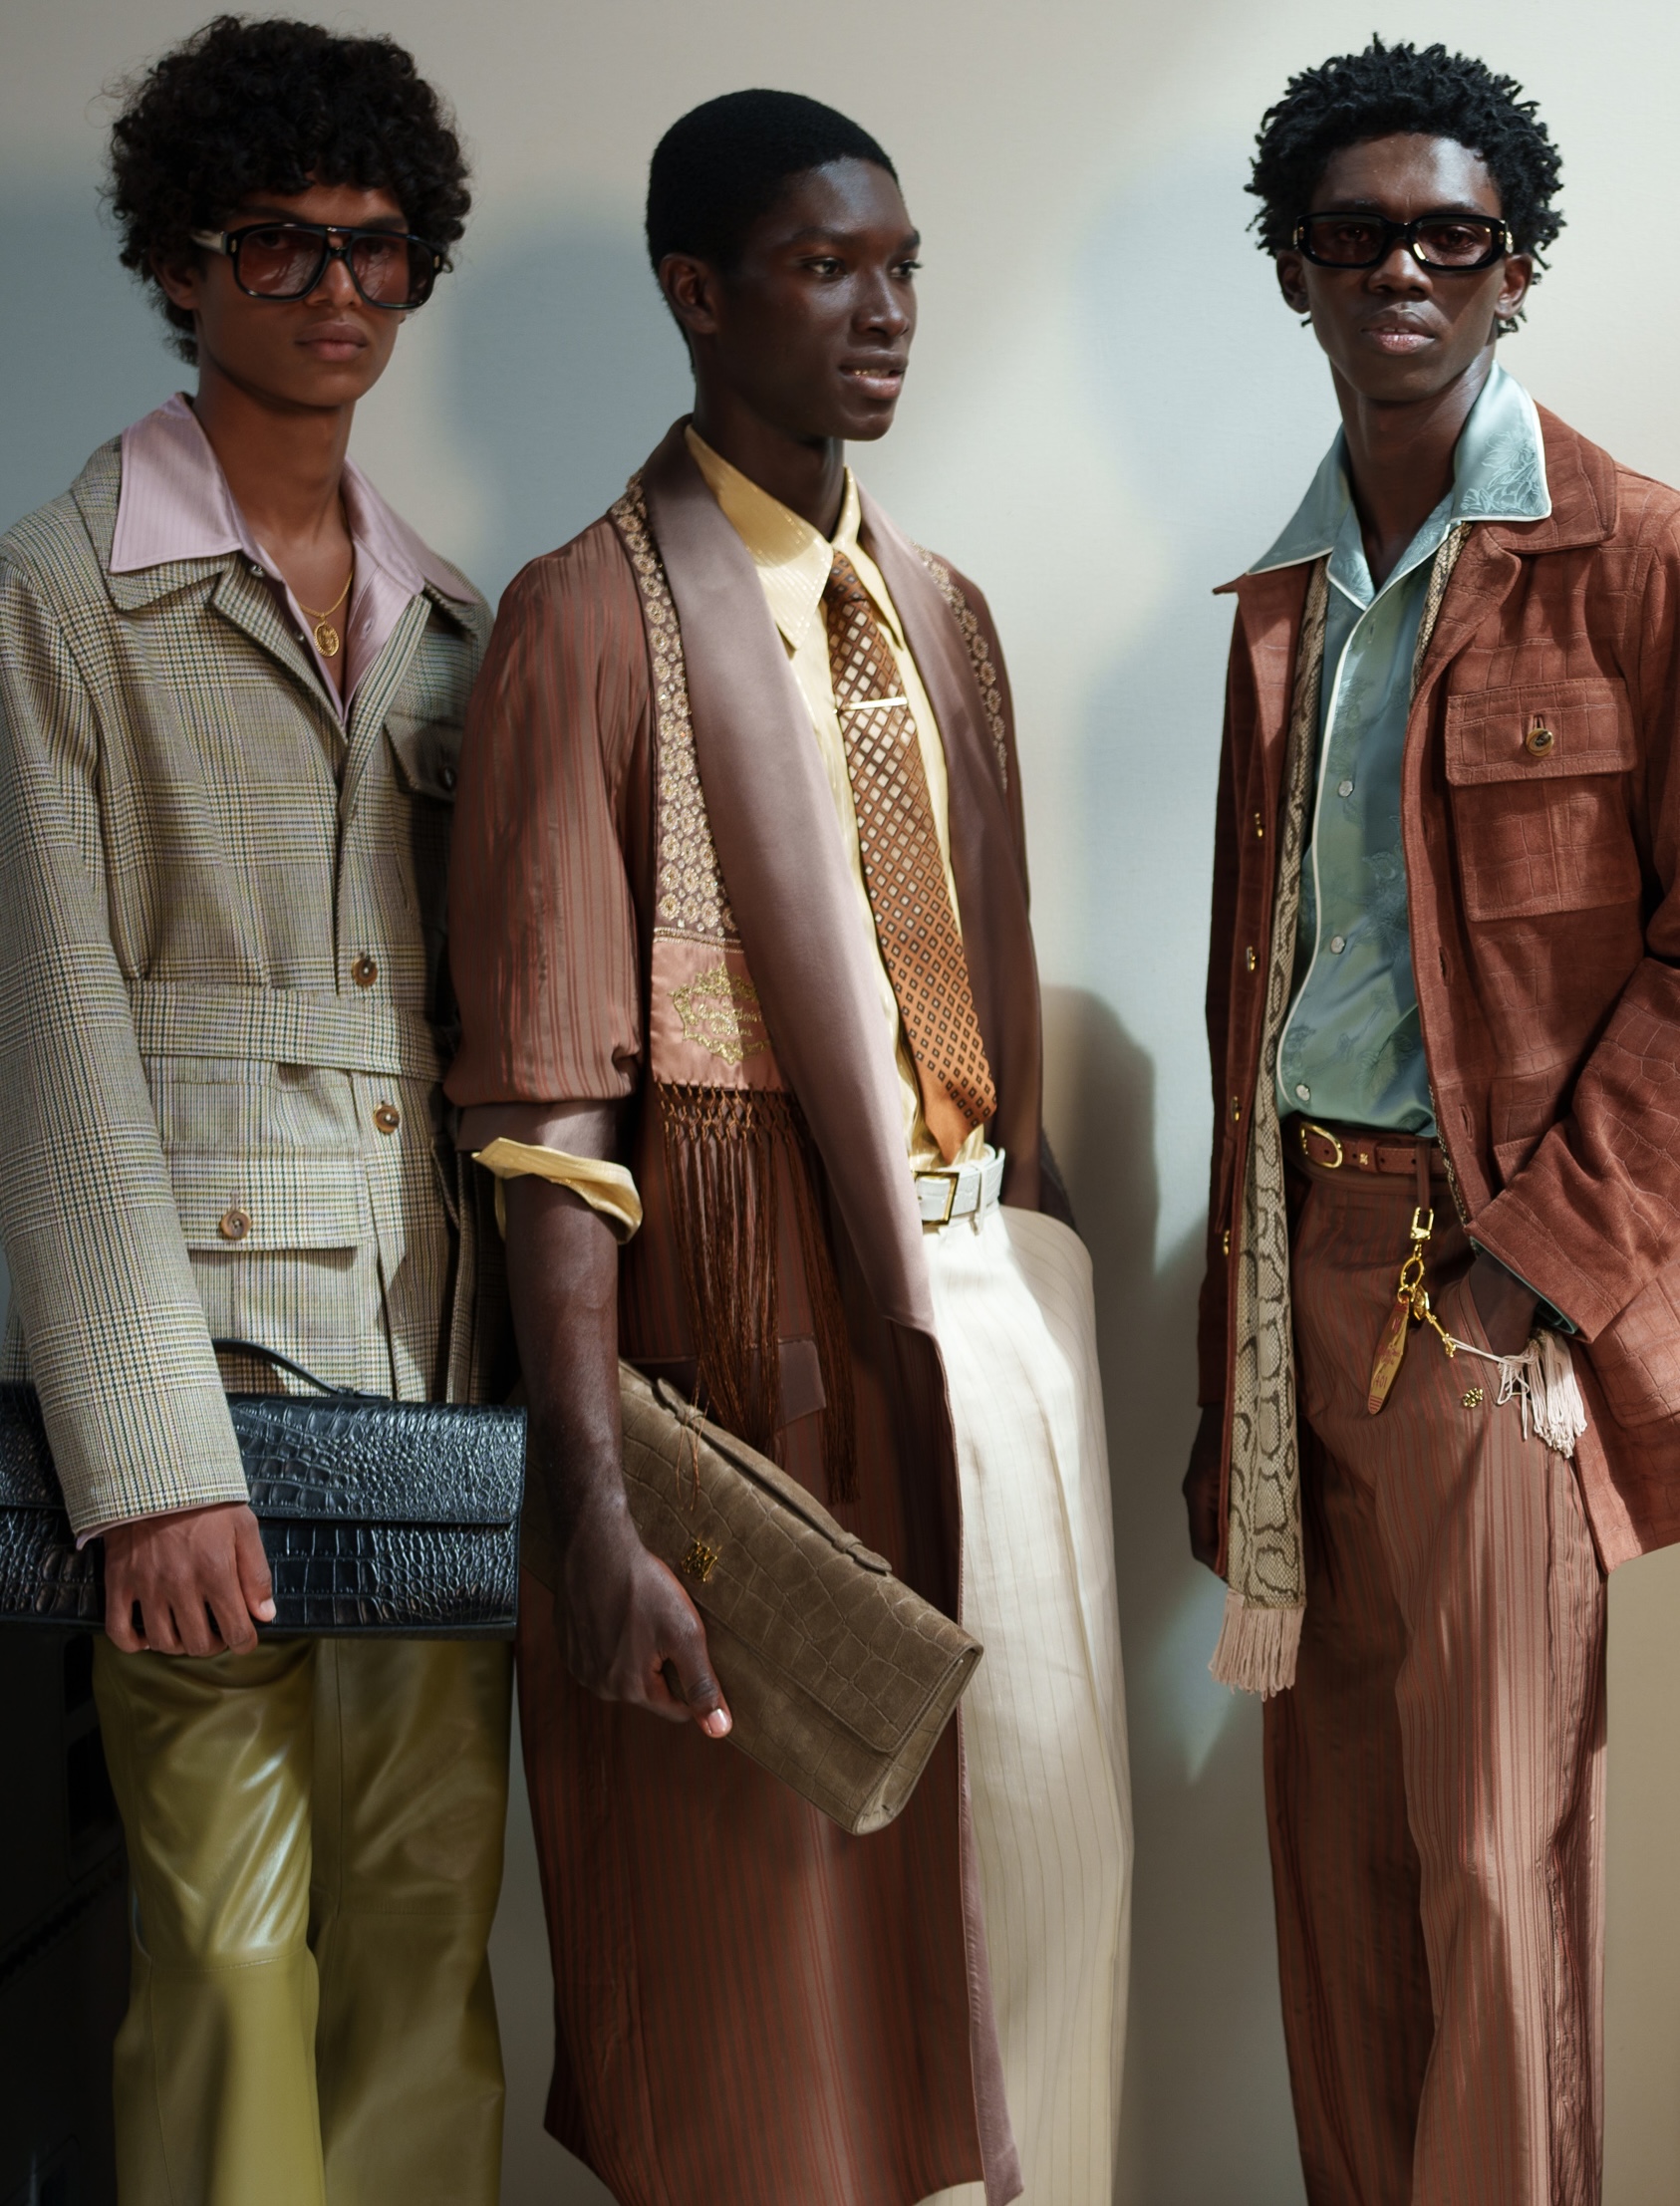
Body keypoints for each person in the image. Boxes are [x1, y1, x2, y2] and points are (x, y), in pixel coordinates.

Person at [447, 88, 1131, 2206]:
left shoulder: (939, 607)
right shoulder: (590, 619)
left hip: (992, 1311)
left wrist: (1034, 1262)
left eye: (903, 265)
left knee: (1043, 1885)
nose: (886, 311)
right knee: (780, 1968)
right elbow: (548, 1111)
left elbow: (985, 991)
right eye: (830, 268)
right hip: (753, 1365)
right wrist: (593, 1500)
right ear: (699, 293)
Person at [0, 19, 509, 2205]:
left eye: (377, 249)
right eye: (278, 245)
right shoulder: (62, 596)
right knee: (223, 1952)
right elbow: (55, 1054)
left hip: (438, 1385)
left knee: (427, 1941)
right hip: (204, 1398)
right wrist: (147, 1469)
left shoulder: (463, 624)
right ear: (176, 264)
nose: (336, 290)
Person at [1184, 35, 1680, 2205]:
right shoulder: (1285, 604)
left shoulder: (1636, 559)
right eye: (1358, 233)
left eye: (1450, 235)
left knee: (1492, 1866)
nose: (1404, 267)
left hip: (1491, 1305)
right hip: (1293, 1277)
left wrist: (1538, 1263)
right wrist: (1234, 1341)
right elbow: (1258, 987)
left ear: (1518, 269)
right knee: (1337, 1858)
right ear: (1297, 270)